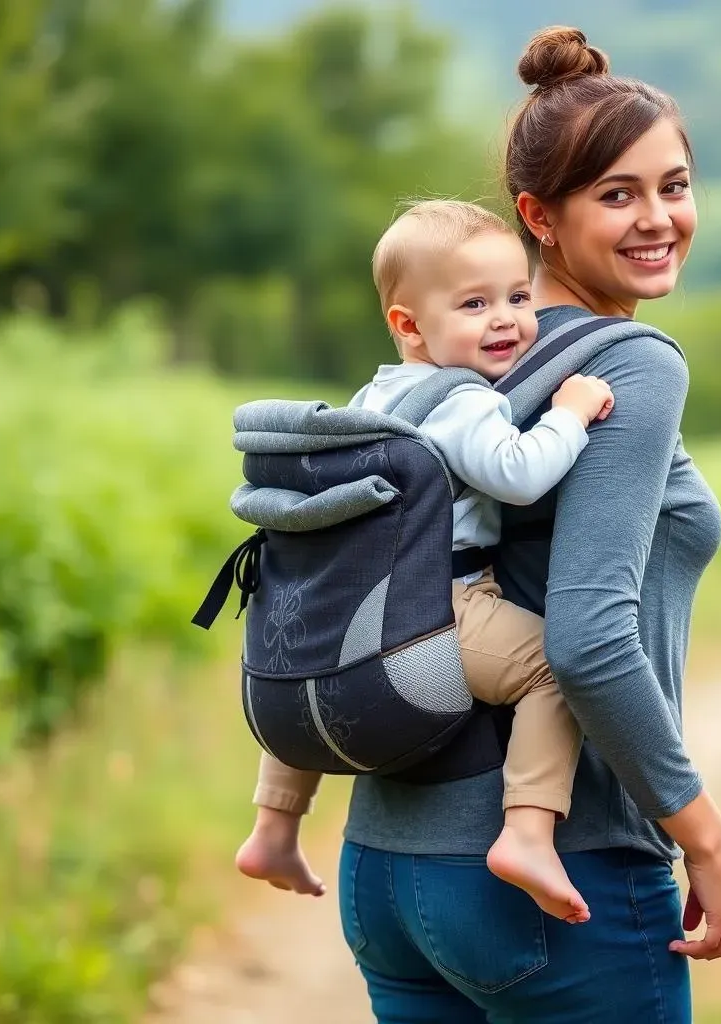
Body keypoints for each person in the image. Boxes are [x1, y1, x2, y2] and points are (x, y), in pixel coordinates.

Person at [335, 26, 721, 1023]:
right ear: (539, 216)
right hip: (557, 875)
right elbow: (588, 637)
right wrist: (703, 838)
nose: (659, 218)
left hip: (388, 866)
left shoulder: (451, 369)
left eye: (675, 184)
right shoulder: (629, 365)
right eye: (617, 194)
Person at [235, 199, 617, 925]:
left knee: (316, 664)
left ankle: (273, 828)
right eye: (474, 304)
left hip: (344, 601)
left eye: (516, 296)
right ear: (410, 325)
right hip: (438, 605)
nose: (505, 318)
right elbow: (517, 472)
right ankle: (529, 832)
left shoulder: (372, 396)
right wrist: (569, 410)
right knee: (554, 665)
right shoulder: (461, 398)